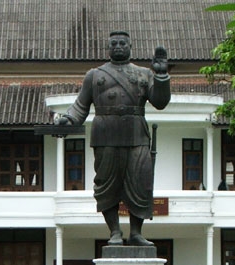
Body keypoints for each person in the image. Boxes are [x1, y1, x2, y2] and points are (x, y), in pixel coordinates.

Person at [54, 31, 170, 246]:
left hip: (136, 134)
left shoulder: (144, 74)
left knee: (140, 183)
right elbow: (80, 106)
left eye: (122, 43)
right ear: (108, 47)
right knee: (107, 185)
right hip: (105, 135)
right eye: (114, 43)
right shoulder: (95, 75)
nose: (118, 46)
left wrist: (162, 76)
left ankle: (136, 232)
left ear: (130, 46)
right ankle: (115, 232)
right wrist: (68, 120)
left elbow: (160, 102)